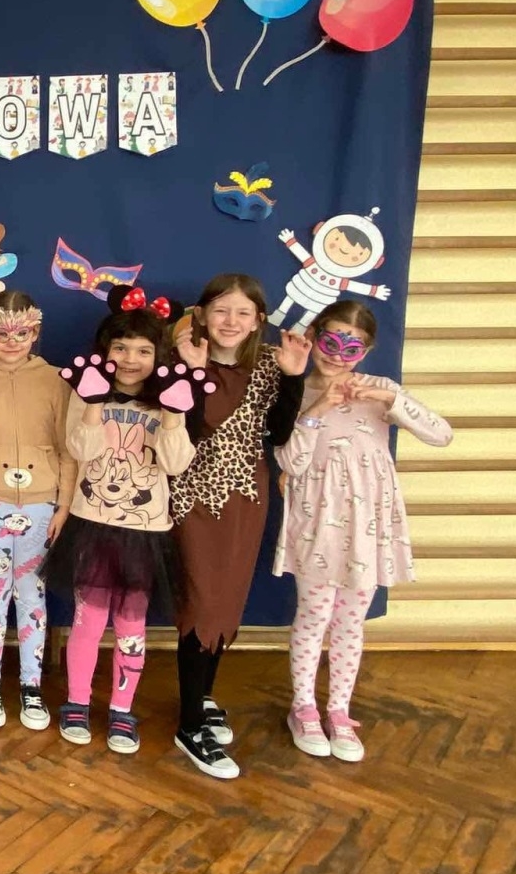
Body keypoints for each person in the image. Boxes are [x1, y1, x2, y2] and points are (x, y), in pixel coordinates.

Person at [273, 302, 452, 762]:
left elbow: (441, 434)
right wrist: (317, 409)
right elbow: (291, 461)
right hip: (316, 523)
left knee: (351, 620)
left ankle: (339, 710)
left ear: (366, 351)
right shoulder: (294, 391)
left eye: (350, 347)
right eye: (330, 341)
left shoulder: (380, 391)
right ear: (313, 337)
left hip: (367, 528)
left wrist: (390, 401)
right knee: (313, 615)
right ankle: (303, 708)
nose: (336, 355)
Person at [47, 287, 201, 755]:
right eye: (120, 347)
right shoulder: (85, 392)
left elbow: (176, 464)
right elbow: (80, 450)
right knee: (88, 620)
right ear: (105, 350)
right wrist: (93, 402)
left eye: (143, 350)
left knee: (131, 625)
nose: (130, 359)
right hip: (92, 524)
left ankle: (121, 708)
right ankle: (77, 701)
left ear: (158, 356)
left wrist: (173, 415)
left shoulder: (169, 399)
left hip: (145, 532)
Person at [169, 274, 310, 779]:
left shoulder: (270, 364)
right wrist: (193, 373)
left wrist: (293, 377)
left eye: (243, 313)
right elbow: (192, 429)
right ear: (202, 315)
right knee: (202, 602)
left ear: (258, 321)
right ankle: (189, 726)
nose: (231, 321)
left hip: (246, 498)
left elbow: (278, 432)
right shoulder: (182, 361)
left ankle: (202, 695)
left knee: (227, 600)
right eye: (222, 310)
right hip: (194, 496)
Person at [0, 290, 71, 730]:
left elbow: (69, 449)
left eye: (21, 333)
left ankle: (31, 685)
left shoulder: (57, 380)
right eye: (2, 333)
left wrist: (64, 505)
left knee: (32, 595)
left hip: (43, 504)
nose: (11, 341)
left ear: (35, 333)